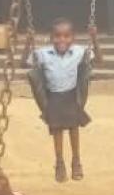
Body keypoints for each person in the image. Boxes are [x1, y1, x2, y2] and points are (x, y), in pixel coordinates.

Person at [29, 17, 93, 183]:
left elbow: (99, 60)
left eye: (66, 36)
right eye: (57, 36)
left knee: (73, 129)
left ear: (73, 38)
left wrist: (95, 39)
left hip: (72, 96)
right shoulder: (43, 54)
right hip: (54, 98)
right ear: (51, 38)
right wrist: (27, 43)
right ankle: (59, 163)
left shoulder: (79, 51)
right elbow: (24, 63)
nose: (62, 40)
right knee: (57, 130)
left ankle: (76, 161)